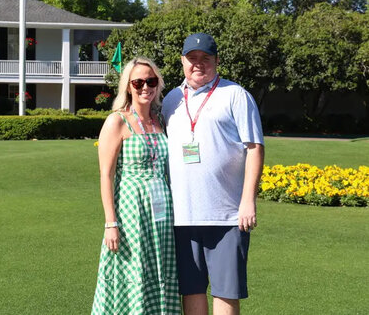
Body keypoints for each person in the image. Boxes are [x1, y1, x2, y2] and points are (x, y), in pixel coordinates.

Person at [161, 33, 264, 315]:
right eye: (192, 58)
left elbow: (255, 148)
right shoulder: (171, 100)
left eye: (205, 58)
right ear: (182, 61)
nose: (198, 64)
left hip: (226, 216)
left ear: (217, 60)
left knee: (226, 292)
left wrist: (248, 201)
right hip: (182, 216)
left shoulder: (236, 95)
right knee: (191, 289)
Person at [92, 57, 181, 315]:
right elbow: (106, 175)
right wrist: (110, 223)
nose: (145, 87)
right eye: (138, 82)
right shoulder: (117, 121)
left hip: (162, 215)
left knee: (161, 270)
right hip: (131, 214)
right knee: (133, 271)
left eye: (151, 81)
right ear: (128, 87)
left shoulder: (160, 120)